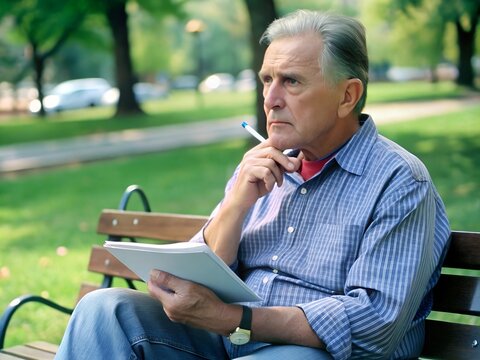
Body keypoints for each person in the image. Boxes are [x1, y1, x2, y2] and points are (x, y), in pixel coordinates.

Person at [55, 9, 450, 360]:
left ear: (347, 96)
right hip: (225, 338)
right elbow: (197, 279)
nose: (271, 99)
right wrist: (236, 205)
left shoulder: (399, 181)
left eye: (292, 82)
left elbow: (374, 324)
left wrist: (233, 317)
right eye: (267, 80)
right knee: (103, 310)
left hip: (310, 351)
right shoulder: (260, 166)